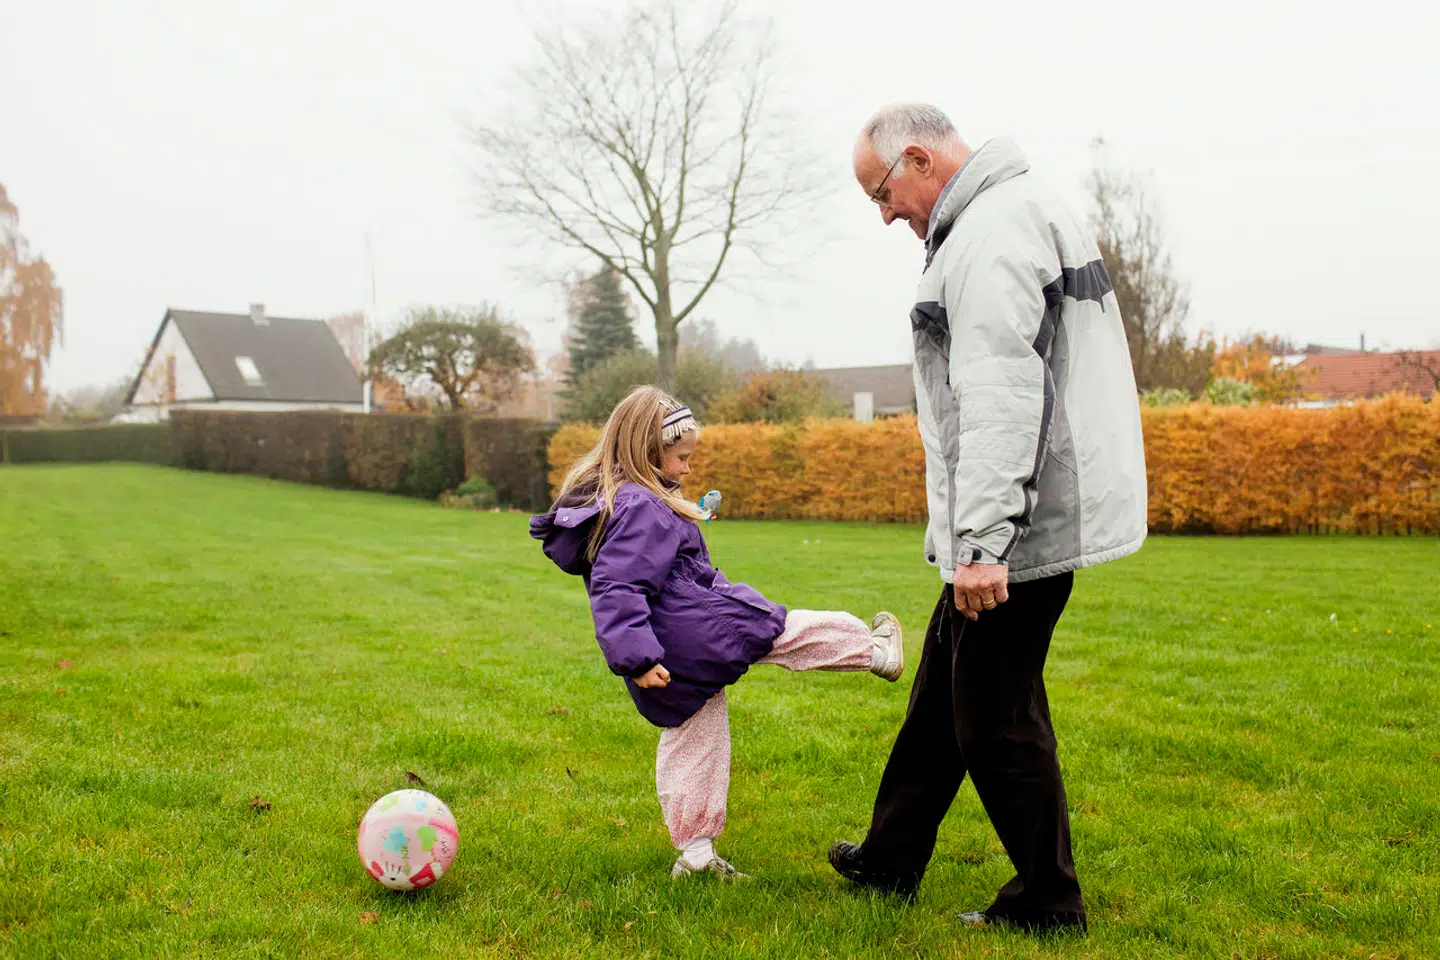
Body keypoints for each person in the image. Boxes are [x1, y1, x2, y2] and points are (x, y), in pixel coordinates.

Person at [828, 104, 1148, 934]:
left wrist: (982, 543)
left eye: (882, 194)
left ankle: (1047, 902)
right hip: (1017, 519)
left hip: (1019, 528)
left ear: (920, 159)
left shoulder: (992, 234)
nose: (887, 214)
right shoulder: (1005, 213)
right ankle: (890, 859)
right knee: (942, 697)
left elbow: (1004, 396)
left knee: (992, 717)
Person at [530, 385, 906, 880]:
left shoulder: (628, 499)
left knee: (693, 738)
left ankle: (697, 855)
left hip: (668, 650)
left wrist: (694, 509)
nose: (687, 468)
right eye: (681, 458)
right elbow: (618, 585)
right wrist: (636, 657)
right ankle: (872, 649)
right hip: (696, 628)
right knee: (781, 628)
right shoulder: (642, 506)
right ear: (647, 450)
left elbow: (637, 560)